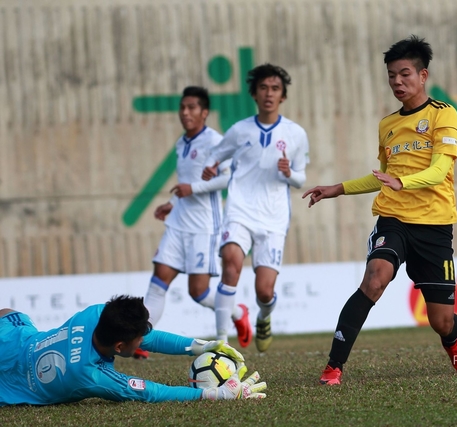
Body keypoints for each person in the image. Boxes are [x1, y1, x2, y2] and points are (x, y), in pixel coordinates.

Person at [302, 35, 457, 385]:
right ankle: (333, 367)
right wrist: (337, 188)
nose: (397, 81)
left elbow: (439, 170)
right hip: (393, 219)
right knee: (374, 278)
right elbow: (382, 176)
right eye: (392, 75)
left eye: (405, 74)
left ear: (423, 76)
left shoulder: (444, 114)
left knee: (441, 321)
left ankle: (452, 340)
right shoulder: (387, 125)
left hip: (434, 225)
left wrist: (402, 182)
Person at [201, 64, 310, 352]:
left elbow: (301, 179)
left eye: (275, 89)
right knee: (231, 264)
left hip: (274, 218)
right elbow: (216, 155)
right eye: (263, 88)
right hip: (240, 210)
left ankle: (263, 316)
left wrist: (289, 173)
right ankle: (221, 343)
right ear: (254, 93)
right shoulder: (239, 130)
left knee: (264, 291)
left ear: (282, 96)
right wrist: (211, 167)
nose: (269, 94)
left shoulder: (295, 133)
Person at [138, 86, 246, 359]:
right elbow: (185, 182)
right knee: (158, 280)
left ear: (204, 112)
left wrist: (193, 189)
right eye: (182, 107)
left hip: (204, 227)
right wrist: (172, 202)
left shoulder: (215, 141)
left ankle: (237, 312)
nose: (185, 112)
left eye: (192, 107)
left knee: (198, 292)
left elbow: (229, 178)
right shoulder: (181, 143)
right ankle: (141, 335)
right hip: (178, 223)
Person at [0, 295, 266, 406]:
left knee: (7, 313)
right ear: (119, 346)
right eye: (139, 339)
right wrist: (214, 394)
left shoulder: (97, 314)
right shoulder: (90, 375)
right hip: (8, 386)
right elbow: (150, 391)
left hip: (14, 340)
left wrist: (202, 346)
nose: (143, 341)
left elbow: (150, 338)